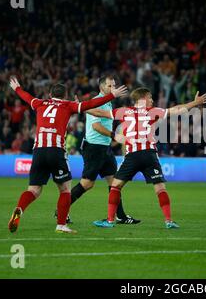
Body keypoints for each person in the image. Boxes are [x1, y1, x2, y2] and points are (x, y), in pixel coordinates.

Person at [7, 76, 127, 234]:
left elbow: (26, 96)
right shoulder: (67, 105)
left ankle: (19, 209)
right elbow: (91, 104)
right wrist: (112, 95)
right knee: (65, 189)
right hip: (56, 151)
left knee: (34, 189)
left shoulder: (40, 103)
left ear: (50, 94)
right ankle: (61, 225)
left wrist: (17, 88)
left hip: (38, 151)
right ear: (65, 95)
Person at [89, 87, 206, 229]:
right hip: (149, 155)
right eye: (150, 97)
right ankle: (169, 221)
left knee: (115, 186)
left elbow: (99, 112)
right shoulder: (154, 112)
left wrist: (79, 107)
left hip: (132, 155)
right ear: (143, 98)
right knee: (160, 188)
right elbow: (177, 110)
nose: (152, 100)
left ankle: (109, 221)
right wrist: (194, 103)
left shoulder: (123, 111)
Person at [55, 73, 140, 224]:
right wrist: (114, 135)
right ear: (101, 87)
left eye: (114, 85)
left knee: (115, 183)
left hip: (104, 148)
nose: (113, 88)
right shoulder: (96, 102)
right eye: (110, 85)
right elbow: (95, 126)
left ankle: (120, 216)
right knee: (87, 184)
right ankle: (61, 211)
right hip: (94, 148)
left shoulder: (108, 103)